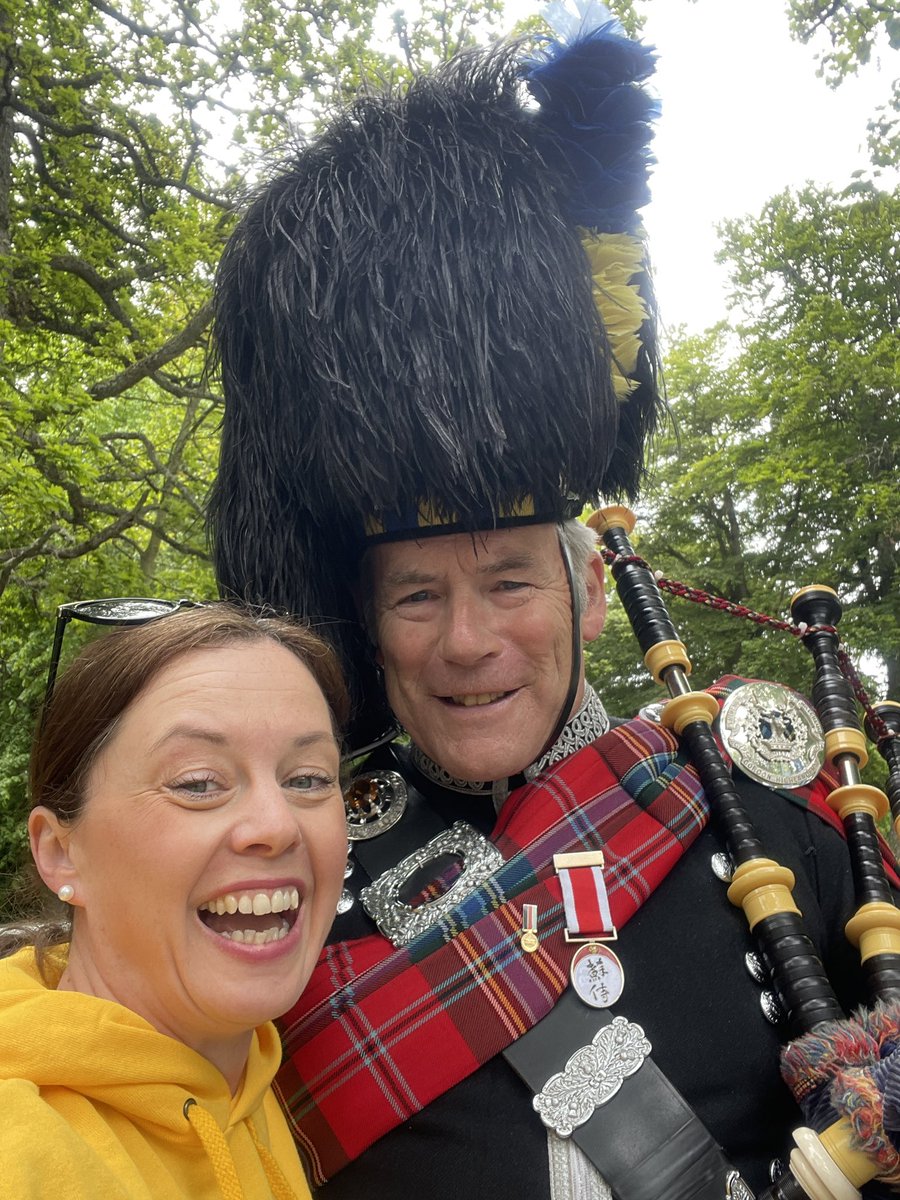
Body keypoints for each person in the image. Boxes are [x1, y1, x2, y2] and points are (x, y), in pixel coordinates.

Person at [208, 11, 893, 1200]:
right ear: (365, 618)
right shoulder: (291, 873)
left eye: (510, 580)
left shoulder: (765, 805)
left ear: (584, 585)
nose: (467, 640)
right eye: (417, 593)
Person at [0, 604, 350, 1200]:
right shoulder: (21, 1148)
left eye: (308, 778)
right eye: (198, 783)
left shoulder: (247, 1080)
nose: (277, 823)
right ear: (61, 853)